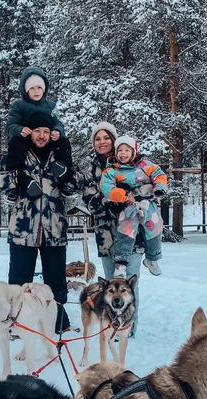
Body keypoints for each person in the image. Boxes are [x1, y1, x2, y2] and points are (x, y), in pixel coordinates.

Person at [0, 113, 76, 334]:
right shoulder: (18, 155)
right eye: (37, 131)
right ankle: (15, 325)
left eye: (46, 131)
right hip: (22, 229)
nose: (42, 135)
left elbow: (75, 187)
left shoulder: (58, 155)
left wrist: (66, 175)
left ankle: (58, 322)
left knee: (55, 281)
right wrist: (19, 180)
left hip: (54, 230)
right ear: (30, 133)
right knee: (18, 282)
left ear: (51, 134)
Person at [81, 122, 145, 337]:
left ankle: (129, 329)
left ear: (114, 140)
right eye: (97, 139)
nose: (102, 142)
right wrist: (112, 196)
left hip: (132, 232)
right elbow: (89, 199)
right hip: (105, 232)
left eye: (106, 138)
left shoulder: (131, 163)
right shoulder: (91, 168)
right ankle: (113, 328)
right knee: (110, 283)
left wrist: (133, 196)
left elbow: (146, 188)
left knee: (129, 283)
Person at [99, 135, 168, 278]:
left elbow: (159, 174)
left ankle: (152, 258)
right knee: (126, 232)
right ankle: (121, 264)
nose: (123, 154)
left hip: (147, 205)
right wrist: (122, 195)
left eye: (127, 150)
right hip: (128, 207)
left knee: (154, 228)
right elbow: (106, 187)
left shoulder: (146, 165)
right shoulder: (112, 170)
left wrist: (159, 188)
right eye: (120, 150)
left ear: (134, 152)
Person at [5, 66, 72, 181]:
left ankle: (64, 170)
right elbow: (10, 126)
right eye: (32, 88)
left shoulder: (51, 106)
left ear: (44, 89)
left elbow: (58, 122)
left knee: (63, 142)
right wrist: (20, 130)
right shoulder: (19, 105)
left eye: (39, 88)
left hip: (46, 139)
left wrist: (58, 131)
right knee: (16, 143)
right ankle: (15, 174)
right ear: (26, 90)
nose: (36, 91)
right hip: (27, 140)